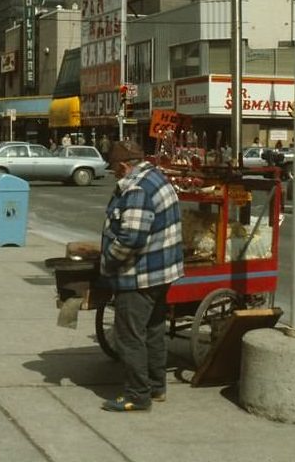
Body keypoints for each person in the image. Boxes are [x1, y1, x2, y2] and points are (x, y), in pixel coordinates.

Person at [99, 140, 184, 412]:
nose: (112, 172)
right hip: (162, 273)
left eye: (113, 167)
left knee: (129, 336)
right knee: (153, 330)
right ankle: (157, 386)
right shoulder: (156, 177)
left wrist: (108, 261)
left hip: (140, 275)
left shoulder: (136, 189)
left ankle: (137, 395)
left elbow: (131, 238)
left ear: (124, 166)